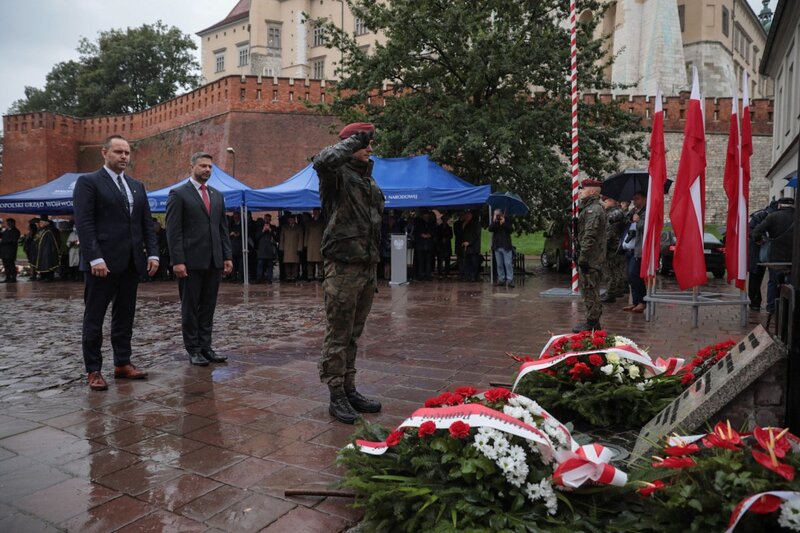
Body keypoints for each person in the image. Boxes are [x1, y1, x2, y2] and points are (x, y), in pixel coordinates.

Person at [73, 134, 159, 391]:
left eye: (127, 153)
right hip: (102, 265)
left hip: (131, 263)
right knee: (94, 319)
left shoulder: (136, 186)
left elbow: (146, 224)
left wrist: (152, 253)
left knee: (125, 317)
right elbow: (85, 223)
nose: (124, 156)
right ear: (104, 153)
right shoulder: (89, 183)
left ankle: (122, 362)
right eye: (118, 152)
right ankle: (94, 370)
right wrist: (95, 258)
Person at [313, 122, 384, 424]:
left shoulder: (367, 180)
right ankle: (336, 394)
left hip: (365, 267)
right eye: (364, 143)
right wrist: (353, 142)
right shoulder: (337, 175)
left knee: (354, 334)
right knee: (338, 334)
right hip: (342, 267)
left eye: (370, 143)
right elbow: (321, 160)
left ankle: (350, 387)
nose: (369, 148)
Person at [166, 152, 233, 366]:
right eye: (203, 166)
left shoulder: (216, 195)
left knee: (208, 306)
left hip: (213, 261)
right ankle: (193, 349)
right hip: (190, 262)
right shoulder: (178, 194)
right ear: (192, 167)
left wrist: (227, 256)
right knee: (191, 307)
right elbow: (173, 231)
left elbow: (222, 229)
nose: (207, 170)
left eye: (210, 167)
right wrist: (178, 261)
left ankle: (206, 347)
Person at [573, 179, 608, 332]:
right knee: (588, 289)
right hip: (591, 257)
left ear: (592, 191)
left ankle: (592, 322)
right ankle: (592, 320)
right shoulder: (589, 208)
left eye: (584, 189)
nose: (581, 191)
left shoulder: (593, 210)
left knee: (590, 290)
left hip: (591, 259)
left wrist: (583, 257)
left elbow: (590, 235)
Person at [752, 197, 795, 315]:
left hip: (776, 256)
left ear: (779, 205)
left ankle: (772, 308)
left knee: (773, 282)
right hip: (795, 258)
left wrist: (759, 240)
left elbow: (756, 231)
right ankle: (791, 309)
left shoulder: (773, 216)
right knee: (793, 283)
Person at [747, 200, 778, 311]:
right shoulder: (760, 215)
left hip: (770, 250)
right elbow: (750, 231)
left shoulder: (761, 215)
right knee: (756, 277)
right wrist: (759, 239)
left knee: (769, 278)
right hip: (758, 250)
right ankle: (755, 302)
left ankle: (758, 303)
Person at [622, 191, 647, 313]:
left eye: (637, 199)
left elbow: (647, 226)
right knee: (630, 277)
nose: (635, 202)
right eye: (633, 199)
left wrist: (638, 221)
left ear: (644, 198)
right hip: (630, 249)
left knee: (635, 275)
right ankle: (636, 301)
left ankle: (642, 301)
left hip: (639, 249)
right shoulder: (635, 211)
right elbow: (625, 221)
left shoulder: (647, 211)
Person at [601, 196, 627, 303]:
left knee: (608, 271)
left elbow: (608, 233)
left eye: (605, 201)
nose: (604, 204)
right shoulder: (620, 213)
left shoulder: (613, 214)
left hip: (611, 248)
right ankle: (618, 289)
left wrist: (603, 248)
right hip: (618, 247)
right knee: (617, 271)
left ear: (612, 201)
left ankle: (610, 293)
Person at [488, 208, 515, 287]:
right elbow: (490, 229)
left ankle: (510, 280)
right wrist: (494, 221)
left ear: (502, 214)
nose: (497, 216)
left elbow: (511, 230)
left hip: (506, 246)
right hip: (497, 246)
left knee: (508, 263)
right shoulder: (495, 222)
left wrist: (504, 223)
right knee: (499, 264)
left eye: (497, 215)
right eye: (495, 215)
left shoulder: (507, 220)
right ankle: (501, 279)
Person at [456, 210, 481, 281]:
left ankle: (473, 276)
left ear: (471, 216)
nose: (466, 217)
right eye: (465, 216)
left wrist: (469, 242)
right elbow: (461, 235)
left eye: (468, 215)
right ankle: (468, 276)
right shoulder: (464, 223)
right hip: (466, 247)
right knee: (467, 262)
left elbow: (476, 235)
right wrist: (463, 227)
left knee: (474, 262)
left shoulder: (476, 223)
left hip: (474, 247)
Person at [34, 215, 61, 281]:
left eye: (42, 222)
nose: (40, 224)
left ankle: (49, 277)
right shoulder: (43, 230)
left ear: (46, 223)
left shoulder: (49, 231)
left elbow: (51, 242)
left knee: (48, 263)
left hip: (48, 251)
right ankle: (43, 276)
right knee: (43, 263)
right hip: (42, 251)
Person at [413, 209, 436, 281]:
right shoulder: (418, 223)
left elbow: (434, 232)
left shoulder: (431, 223)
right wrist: (421, 235)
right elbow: (416, 232)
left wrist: (430, 235)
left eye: (427, 215)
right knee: (420, 261)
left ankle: (428, 276)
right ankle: (420, 275)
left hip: (428, 245)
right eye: (424, 215)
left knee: (428, 261)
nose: (426, 217)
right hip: (420, 245)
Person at [279, 214, 303, 281]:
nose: (291, 221)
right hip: (286, 248)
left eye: (292, 219)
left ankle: (294, 276)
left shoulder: (298, 227)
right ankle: (288, 276)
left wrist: (300, 248)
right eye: (290, 219)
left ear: (294, 220)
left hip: (295, 247)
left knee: (295, 263)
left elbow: (300, 238)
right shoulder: (284, 227)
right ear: (288, 220)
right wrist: (281, 247)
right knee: (287, 263)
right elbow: (282, 238)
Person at [255, 213, 278, 283]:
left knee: (270, 265)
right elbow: (256, 237)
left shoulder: (273, 227)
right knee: (260, 264)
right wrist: (263, 230)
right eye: (266, 219)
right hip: (261, 250)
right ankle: (259, 279)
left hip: (269, 250)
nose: (267, 220)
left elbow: (276, 238)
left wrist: (270, 230)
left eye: (268, 219)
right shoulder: (259, 227)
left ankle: (269, 279)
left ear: (270, 220)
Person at [305, 208, 324, 281]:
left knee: (320, 262)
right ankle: (310, 276)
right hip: (310, 244)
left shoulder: (322, 222)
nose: (315, 213)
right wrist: (305, 244)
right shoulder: (309, 222)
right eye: (314, 212)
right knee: (310, 262)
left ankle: (320, 275)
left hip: (319, 243)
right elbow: (306, 233)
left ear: (319, 212)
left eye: (317, 211)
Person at [433, 211, 453, 278]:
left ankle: (447, 273)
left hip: (447, 246)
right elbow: (437, 235)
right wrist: (441, 239)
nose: (445, 220)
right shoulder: (438, 228)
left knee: (447, 260)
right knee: (440, 260)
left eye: (446, 219)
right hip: (440, 246)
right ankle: (440, 273)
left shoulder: (449, 228)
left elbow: (451, 236)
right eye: (444, 219)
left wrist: (446, 239)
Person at [0, 218, 20, 283]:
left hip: (11, 251)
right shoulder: (6, 230)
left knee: (11, 264)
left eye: (9, 223)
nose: (8, 224)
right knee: (6, 264)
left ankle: (13, 278)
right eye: (7, 222)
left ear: (13, 223)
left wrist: (3, 242)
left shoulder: (16, 231)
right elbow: (1, 236)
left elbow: (13, 240)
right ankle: (8, 277)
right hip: (4, 251)